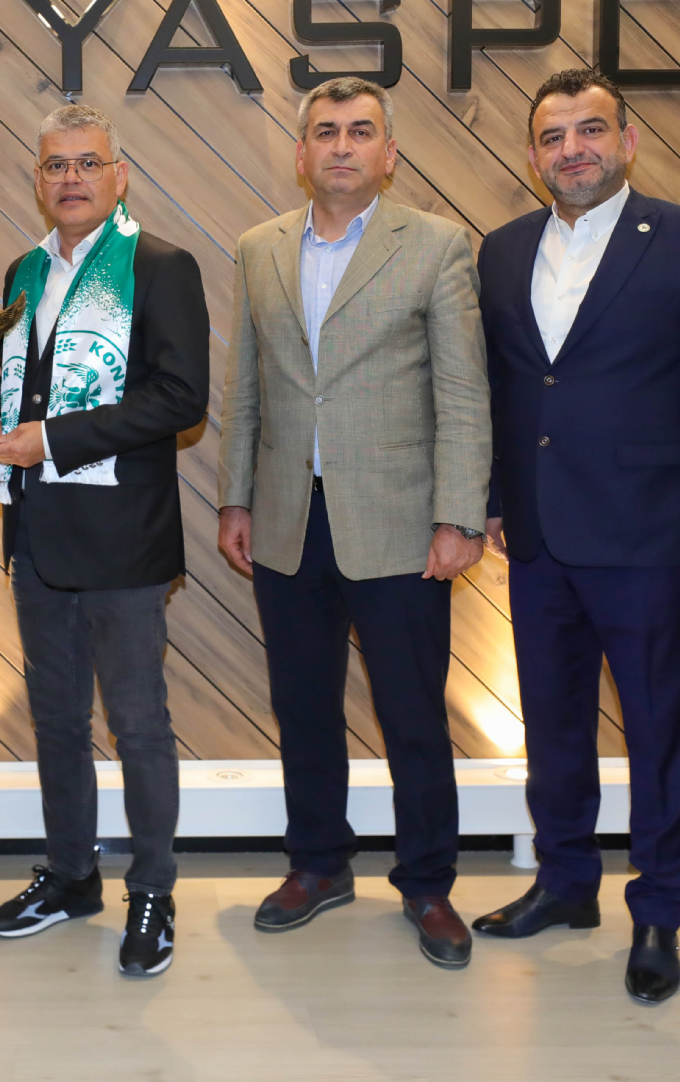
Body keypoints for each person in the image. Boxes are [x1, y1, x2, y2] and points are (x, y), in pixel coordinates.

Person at [471, 68, 680, 1003]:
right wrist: (494, 497)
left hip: (652, 535)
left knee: (660, 730)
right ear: (534, 155)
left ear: (627, 142)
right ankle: (565, 881)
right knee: (553, 722)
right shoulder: (503, 249)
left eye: (591, 129)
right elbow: (504, 387)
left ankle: (660, 908)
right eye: (554, 135)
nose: (573, 149)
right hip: (538, 538)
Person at [217, 75, 492, 969]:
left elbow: (463, 392)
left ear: (389, 153)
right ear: (301, 152)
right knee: (302, 704)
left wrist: (459, 514)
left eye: (361, 131)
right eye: (326, 131)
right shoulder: (259, 247)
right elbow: (248, 384)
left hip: (401, 522)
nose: (342, 145)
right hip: (288, 518)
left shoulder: (437, 246)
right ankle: (318, 863)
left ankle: (428, 883)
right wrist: (235, 496)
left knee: (412, 713)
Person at [0, 104, 209, 977]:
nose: (70, 178)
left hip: (122, 538)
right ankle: (72, 874)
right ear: (37, 179)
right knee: (57, 720)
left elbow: (180, 398)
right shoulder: (24, 272)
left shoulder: (160, 266)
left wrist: (51, 439)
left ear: (120, 176)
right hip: (37, 532)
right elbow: (31, 387)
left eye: (87, 162)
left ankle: (153, 889)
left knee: (139, 723)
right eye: (55, 165)